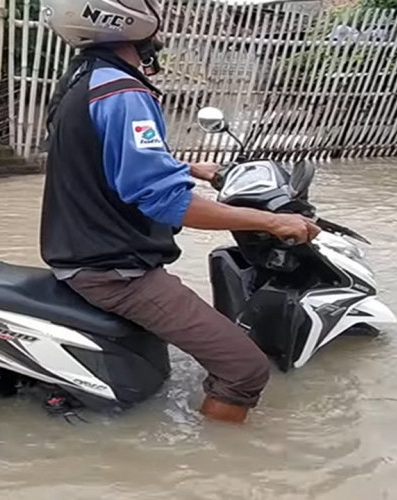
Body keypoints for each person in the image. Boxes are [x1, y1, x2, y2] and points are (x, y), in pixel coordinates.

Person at [39, 0, 321, 423]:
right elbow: (169, 202)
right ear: (130, 19)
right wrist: (274, 221)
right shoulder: (124, 92)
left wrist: (189, 167)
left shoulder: (84, 78)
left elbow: (99, 154)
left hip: (80, 252)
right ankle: (217, 468)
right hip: (117, 272)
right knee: (244, 368)